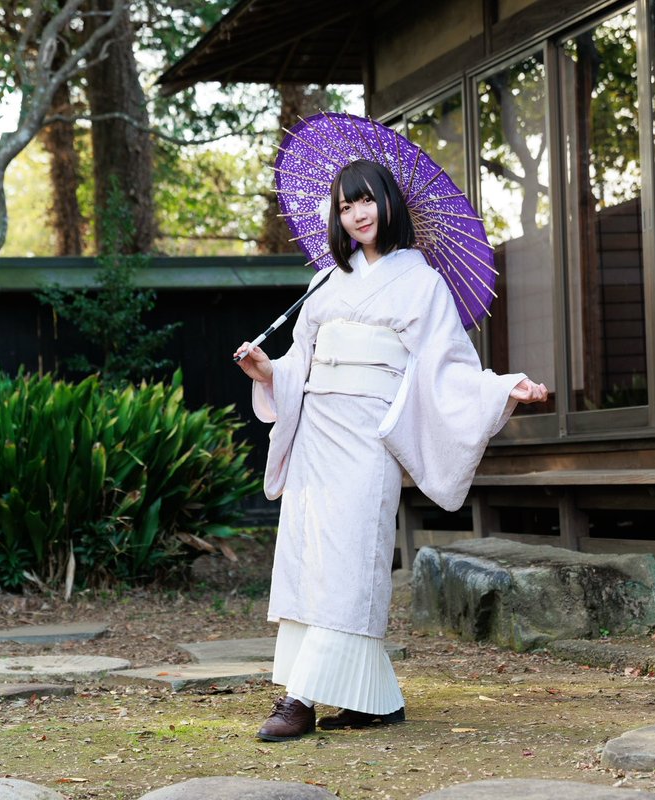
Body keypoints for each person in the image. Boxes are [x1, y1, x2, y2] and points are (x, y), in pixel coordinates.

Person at [234, 159, 547, 742]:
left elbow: (447, 367)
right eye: (346, 205)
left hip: (366, 434)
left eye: (366, 200)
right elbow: (300, 361)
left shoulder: (422, 282)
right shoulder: (325, 281)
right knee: (312, 558)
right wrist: (266, 369)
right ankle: (373, 699)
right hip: (316, 432)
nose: (357, 214)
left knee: (350, 560)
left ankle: (299, 698)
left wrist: (505, 387)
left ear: (388, 202)